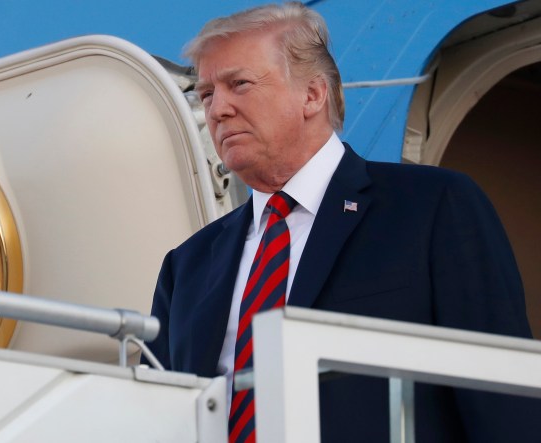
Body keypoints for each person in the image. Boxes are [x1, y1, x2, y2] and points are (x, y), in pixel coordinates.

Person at [145, 2, 539, 442]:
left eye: (239, 84)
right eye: (206, 94)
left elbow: (503, 398)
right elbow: (152, 415)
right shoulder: (187, 266)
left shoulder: (433, 207)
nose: (218, 109)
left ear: (313, 94)